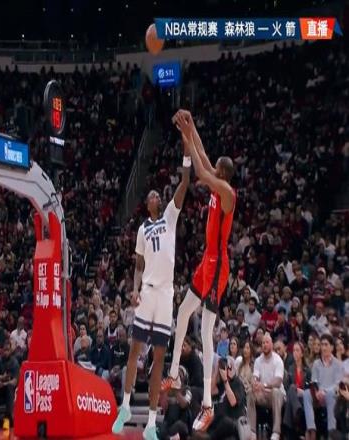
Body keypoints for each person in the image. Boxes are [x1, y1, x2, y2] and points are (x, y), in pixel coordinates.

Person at [112, 111, 191, 440]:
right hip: (146, 292)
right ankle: (125, 406)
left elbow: (185, 182)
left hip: (166, 295)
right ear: (147, 204)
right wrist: (133, 290)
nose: (156, 196)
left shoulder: (171, 217)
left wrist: (186, 144)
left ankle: (152, 423)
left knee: (159, 358)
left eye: (159, 194)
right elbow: (138, 266)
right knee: (135, 350)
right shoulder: (143, 229)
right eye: (152, 195)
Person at [162, 110, 236, 433]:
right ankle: (173, 372)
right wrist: (189, 130)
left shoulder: (227, 194)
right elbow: (202, 155)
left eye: (216, 168)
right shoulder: (217, 187)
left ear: (223, 173)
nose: (211, 168)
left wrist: (188, 133)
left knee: (205, 332)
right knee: (182, 313)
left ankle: (207, 404)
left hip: (218, 265)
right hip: (207, 261)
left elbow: (202, 170)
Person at [303, 334, 344, 440]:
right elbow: (314, 381)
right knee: (306, 394)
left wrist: (324, 391)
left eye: (326, 345)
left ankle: (331, 432)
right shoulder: (316, 364)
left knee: (331, 394)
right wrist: (317, 391)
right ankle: (311, 429)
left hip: (331, 395)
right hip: (318, 395)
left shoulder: (338, 364)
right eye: (322, 345)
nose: (323, 347)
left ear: (332, 347)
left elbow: (337, 384)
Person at [247, 333, 285, 440]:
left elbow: (278, 382)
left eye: (267, 342)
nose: (265, 345)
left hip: (277, 395)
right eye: (263, 343)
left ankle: (276, 432)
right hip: (263, 395)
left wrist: (264, 385)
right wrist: (254, 383)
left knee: (276, 392)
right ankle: (252, 432)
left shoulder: (278, 360)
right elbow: (255, 376)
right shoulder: (258, 361)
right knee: (250, 393)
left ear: (271, 345)